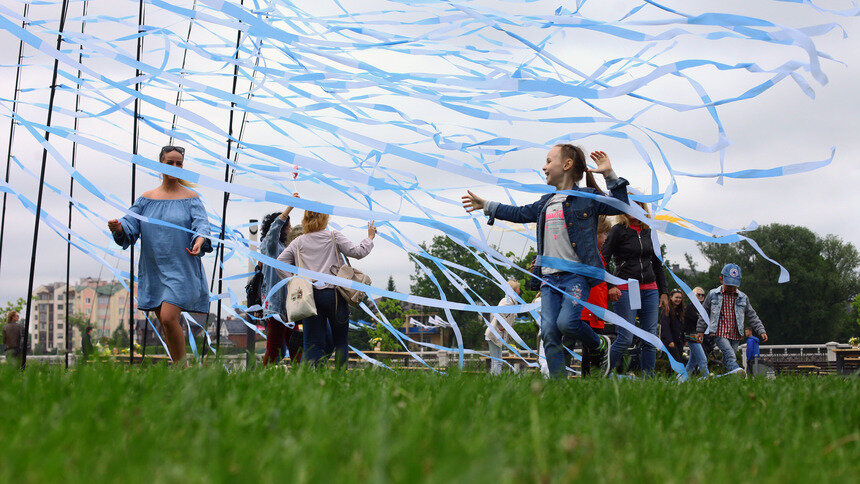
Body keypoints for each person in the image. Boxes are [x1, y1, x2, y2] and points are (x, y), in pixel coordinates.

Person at [462, 145, 630, 379]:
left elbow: (621, 206)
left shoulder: (587, 199)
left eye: (549, 161)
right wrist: (488, 205)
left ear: (567, 165)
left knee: (567, 324)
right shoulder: (545, 202)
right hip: (549, 279)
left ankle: (600, 344)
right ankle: (557, 388)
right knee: (549, 332)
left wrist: (610, 175)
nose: (544, 166)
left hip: (576, 277)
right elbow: (519, 213)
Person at [108, 145, 212, 365]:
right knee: (166, 323)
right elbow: (129, 225)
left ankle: (184, 370)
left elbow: (202, 225)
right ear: (160, 165)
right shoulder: (146, 199)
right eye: (170, 163)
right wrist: (118, 228)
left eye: (179, 163)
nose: (175, 167)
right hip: (154, 268)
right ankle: (181, 369)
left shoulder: (191, 198)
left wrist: (200, 239)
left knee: (168, 317)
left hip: (181, 267)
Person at [277, 211, 376, 368]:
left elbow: (280, 263)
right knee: (340, 342)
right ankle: (339, 378)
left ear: (305, 220)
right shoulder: (333, 236)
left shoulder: (298, 242)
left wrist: (295, 282)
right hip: (334, 295)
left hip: (310, 297)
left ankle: (307, 379)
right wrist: (369, 238)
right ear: (324, 219)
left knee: (312, 343)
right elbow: (358, 252)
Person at [601, 200, 669, 376]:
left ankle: (649, 379)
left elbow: (657, 263)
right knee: (625, 337)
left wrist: (664, 292)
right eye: (629, 205)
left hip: (650, 289)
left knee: (650, 337)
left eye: (638, 205)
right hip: (625, 288)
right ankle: (603, 374)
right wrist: (610, 285)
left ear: (643, 208)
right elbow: (603, 259)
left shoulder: (649, 231)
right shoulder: (618, 231)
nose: (634, 209)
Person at [696, 263, 768, 376]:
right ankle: (737, 371)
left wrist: (761, 330)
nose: (731, 288)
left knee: (727, 359)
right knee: (730, 355)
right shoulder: (713, 294)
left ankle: (725, 380)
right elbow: (704, 313)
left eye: (734, 285)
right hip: (719, 332)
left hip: (735, 333)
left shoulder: (743, 297)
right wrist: (700, 330)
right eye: (728, 285)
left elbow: (752, 315)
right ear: (721, 279)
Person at [259, 193, 301, 367]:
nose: (290, 229)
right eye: (288, 225)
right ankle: (264, 377)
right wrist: (289, 207)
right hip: (275, 305)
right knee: (274, 345)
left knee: (295, 344)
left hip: (289, 305)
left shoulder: (285, 248)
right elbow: (273, 232)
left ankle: (301, 376)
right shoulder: (271, 247)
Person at [578, 215, 612, 375]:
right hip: (587, 309)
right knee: (590, 347)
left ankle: (593, 378)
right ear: (595, 234)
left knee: (594, 349)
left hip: (598, 308)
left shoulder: (600, 256)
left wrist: (609, 292)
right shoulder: (587, 255)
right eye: (604, 234)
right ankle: (588, 377)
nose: (606, 238)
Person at [485, 280, 521, 375]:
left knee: (496, 360)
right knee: (497, 361)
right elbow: (498, 312)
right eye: (518, 289)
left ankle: (493, 380)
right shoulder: (508, 301)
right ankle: (495, 380)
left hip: (496, 333)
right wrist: (503, 325)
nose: (519, 291)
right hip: (495, 334)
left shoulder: (510, 301)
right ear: (514, 290)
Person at [683, 287, 709, 376]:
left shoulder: (701, 308)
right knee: (703, 360)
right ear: (693, 295)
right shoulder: (690, 307)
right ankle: (707, 379)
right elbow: (699, 320)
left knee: (692, 363)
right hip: (692, 336)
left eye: (702, 295)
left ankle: (681, 380)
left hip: (698, 337)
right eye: (698, 294)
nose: (701, 296)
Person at [660, 289, 685, 365]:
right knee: (676, 361)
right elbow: (665, 326)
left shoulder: (680, 311)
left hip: (679, 340)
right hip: (670, 341)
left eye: (680, 298)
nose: (678, 300)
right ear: (671, 297)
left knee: (679, 359)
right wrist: (670, 341)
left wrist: (684, 339)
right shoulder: (666, 310)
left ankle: (674, 376)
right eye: (676, 297)